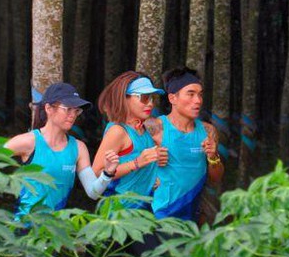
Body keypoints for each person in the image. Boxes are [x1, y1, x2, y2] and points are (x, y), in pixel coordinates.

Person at [0, 82, 110, 218]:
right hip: (26, 228)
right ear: (49, 108)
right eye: (67, 109)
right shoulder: (29, 141)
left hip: (57, 229)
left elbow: (93, 193)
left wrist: (107, 173)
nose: (73, 115)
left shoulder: (79, 148)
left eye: (76, 111)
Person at [151, 67, 222, 222]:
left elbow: (215, 178)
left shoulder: (208, 131)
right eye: (190, 94)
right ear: (172, 98)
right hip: (160, 215)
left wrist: (213, 156)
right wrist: (150, 160)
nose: (198, 100)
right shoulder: (155, 128)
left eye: (200, 94)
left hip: (194, 214)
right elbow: (127, 164)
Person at [93, 71, 168, 209]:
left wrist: (152, 175)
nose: (150, 104)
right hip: (119, 212)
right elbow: (97, 172)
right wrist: (137, 163)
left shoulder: (143, 129)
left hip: (142, 209)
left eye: (152, 98)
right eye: (144, 98)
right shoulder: (117, 131)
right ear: (124, 99)